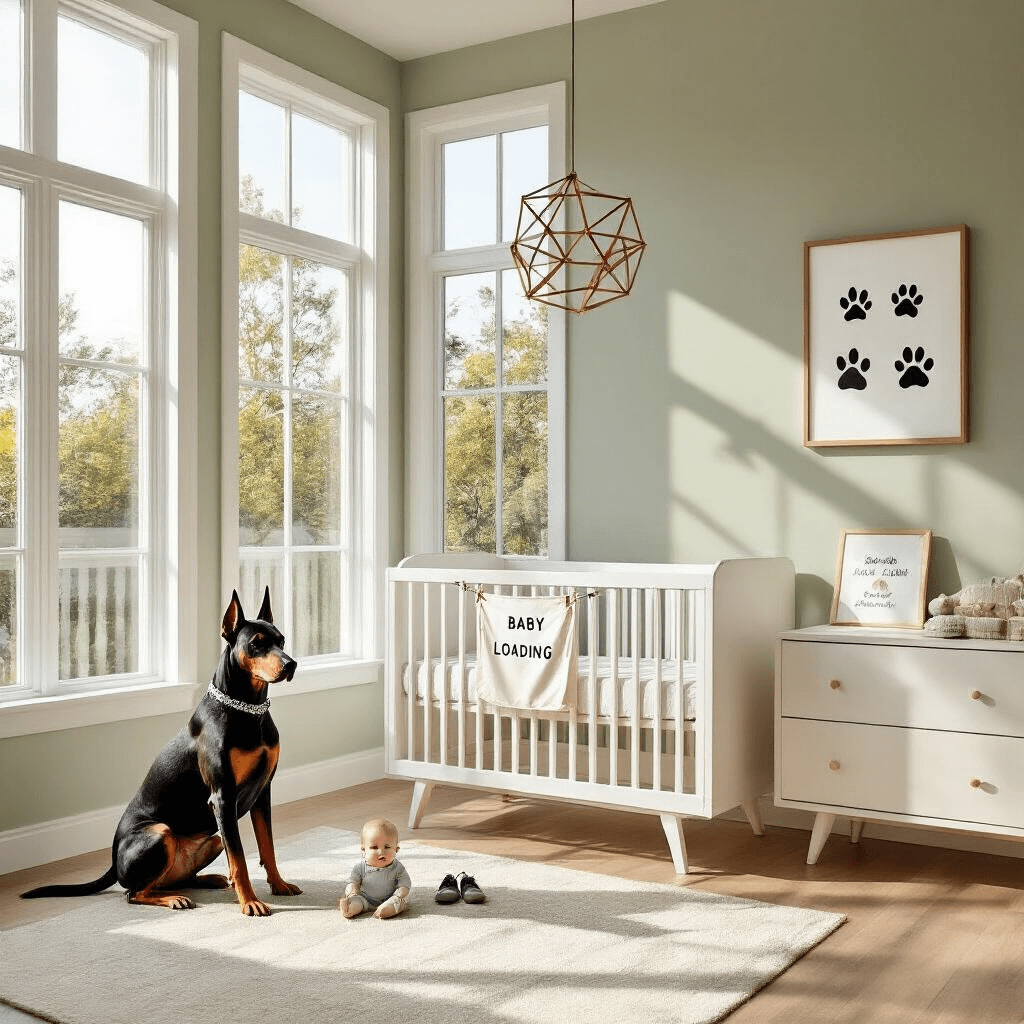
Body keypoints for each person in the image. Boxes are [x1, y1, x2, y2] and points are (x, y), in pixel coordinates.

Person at [340, 817, 411, 919]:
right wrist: (353, 892)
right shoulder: (360, 867)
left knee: (399, 902)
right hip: (365, 899)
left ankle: (386, 909)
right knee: (356, 900)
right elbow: (353, 882)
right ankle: (350, 908)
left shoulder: (398, 868)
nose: (381, 852)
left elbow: (405, 884)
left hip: (390, 898)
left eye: (387, 847)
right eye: (374, 847)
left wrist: (399, 895)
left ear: (396, 849)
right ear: (363, 850)